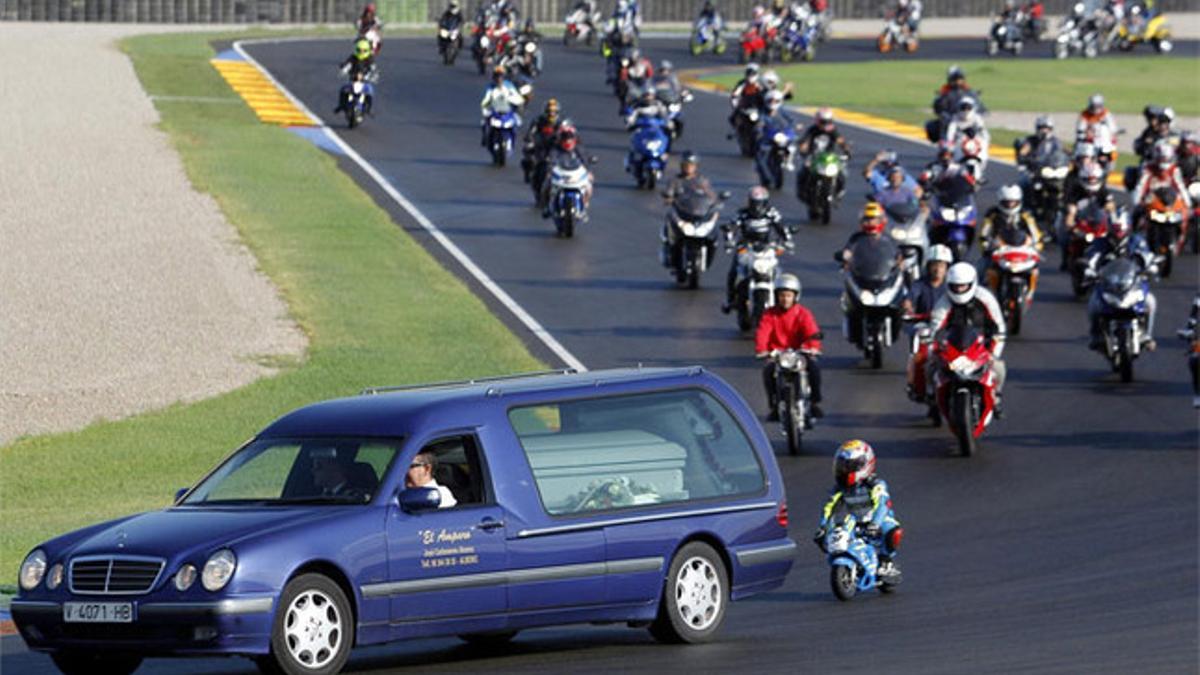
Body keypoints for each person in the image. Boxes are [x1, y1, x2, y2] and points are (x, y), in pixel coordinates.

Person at [815, 440, 903, 583]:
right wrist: (823, 526)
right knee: (835, 535)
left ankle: (886, 562)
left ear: (865, 464)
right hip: (855, 522)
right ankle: (850, 558)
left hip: (877, 521)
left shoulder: (876, 485)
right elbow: (829, 507)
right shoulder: (840, 489)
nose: (844, 471)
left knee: (892, 530)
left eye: (849, 466)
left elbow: (883, 504)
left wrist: (875, 523)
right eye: (842, 466)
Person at [930, 262, 1007, 412]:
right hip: (953, 347)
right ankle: (933, 397)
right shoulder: (944, 301)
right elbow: (935, 326)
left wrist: (993, 352)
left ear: (972, 283)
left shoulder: (985, 298)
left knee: (999, 367)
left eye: (963, 286)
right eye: (956, 286)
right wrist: (935, 347)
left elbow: (999, 326)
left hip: (980, 347)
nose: (959, 289)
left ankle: (996, 397)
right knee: (930, 367)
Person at [1083, 211, 1158, 351]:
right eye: (1115, 229)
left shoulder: (1137, 241)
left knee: (1150, 302)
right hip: (1108, 285)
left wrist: (1151, 266)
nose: (1118, 234)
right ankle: (1095, 335)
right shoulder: (1101, 242)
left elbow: (1146, 256)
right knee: (1093, 303)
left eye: (1121, 229)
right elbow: (1092, 258)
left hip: (1132, 284)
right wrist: (1089, 270)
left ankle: (1147, 335)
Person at [755, 274, 824, 421]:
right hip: (778, 355)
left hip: (800, 354)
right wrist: (762, 350)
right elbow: (763, 332)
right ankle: (774, 406)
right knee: (768, 372)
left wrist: (813, 347)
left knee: (814, 368)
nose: (785, 299)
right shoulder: (770, 314)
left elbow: (812, 332)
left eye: (788, 295)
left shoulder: (803, 313)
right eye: (781, 295)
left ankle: (814, 402)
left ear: (795, 296)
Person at [723, 186, 793, 312]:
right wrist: (729, 240)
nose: (757, 207)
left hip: (767, 248)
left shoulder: (771, 213)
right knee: (734, 271)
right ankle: (730, 299)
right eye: (754, 203)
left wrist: (787, 240)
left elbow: (781, 227)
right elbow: (732, 227)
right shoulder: (742, 214)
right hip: (746, 247)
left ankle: (782, 300)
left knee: (778, 273)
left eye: (760, 203)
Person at [903, 244, 953, 408]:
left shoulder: (951, 286)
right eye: (934, 264)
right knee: (916, 354)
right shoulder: (920, 284)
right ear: (928, 266)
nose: (938, 269)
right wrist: (908, 307)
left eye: (942, 265)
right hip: (924, 325)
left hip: (947, 326)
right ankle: (913, 383)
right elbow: (910, 299)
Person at [980, 184, 1044, 293]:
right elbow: (984, 232)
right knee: (981, 268)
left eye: (1013, 202)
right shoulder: (993, 214)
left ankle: (1029, 288)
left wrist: (1037, 245)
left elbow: (1035, 232)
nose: (1010, 205)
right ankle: (981, 294)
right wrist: (986, 246)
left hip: (1020, 248)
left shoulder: (1026, 214)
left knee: (1034, 267)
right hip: (999, 248)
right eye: (1007, 202)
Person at [540, 120, 593, 217]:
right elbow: (551, 160)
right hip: (561, 175)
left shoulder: (578, 149)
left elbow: (585, 160)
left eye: (569, 138)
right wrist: (549, 170)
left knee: (589, 187)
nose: (567, 141)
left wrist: (588, 171)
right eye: (565, 138)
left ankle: (585, 205)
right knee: (546, 186)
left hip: (574, 175)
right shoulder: (555, 150)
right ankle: (546, 207)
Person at [797, 107, 852, 198]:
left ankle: (839, 190)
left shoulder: (833, 131)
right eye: (823, 122)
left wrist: (847, 151)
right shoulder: (812, 130)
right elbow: (804, 141)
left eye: (828, 121)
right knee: (803, 172)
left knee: (841, 172)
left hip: (829, 158)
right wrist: (803, 150)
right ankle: (802, 191)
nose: (826, 124)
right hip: (814, 157)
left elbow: (841, 141)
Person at [1132, 141, 1192, 211]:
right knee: (1137, 213)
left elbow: (1180, 186)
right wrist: (1137, 203)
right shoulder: (1148, 169)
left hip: (1170, 201)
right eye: (1162, 159)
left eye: (1166, 159)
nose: (1164, 161)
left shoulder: (1174, 169)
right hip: (1152, 201)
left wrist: (1188, 204)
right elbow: (1141, 186)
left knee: (1184, 211)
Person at [480, 65, 524, 145]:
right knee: (483, 122)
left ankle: (513, 137)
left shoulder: (509, 86)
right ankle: (485, 138)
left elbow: (518, 98)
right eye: (497, 76)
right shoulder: (491, 87)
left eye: (500, 76)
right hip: (495, 110)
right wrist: (485, 108)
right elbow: (486, 100)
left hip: (508, 110)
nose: (499, 79)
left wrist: (513, 100)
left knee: (518, 122)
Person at [522, 98, 561, 186]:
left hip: (555, 145)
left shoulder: (561, 122)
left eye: (554, 112)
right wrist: (529, 138)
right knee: (527, 153)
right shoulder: (538, 121)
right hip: (540, 144)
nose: (551, 114)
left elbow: (570, 134)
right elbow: (531, 132)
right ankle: (528, 174)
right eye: (550, 111)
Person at [335, 38, 377, 115]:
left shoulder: (370, 59)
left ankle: (369, 109)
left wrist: (372, 74)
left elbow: (373, 68)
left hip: (364, 80)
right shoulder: (353, 57)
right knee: (343, 89)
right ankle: (341, 105)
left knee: (370, 90)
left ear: (367, 50)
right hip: (353, 78)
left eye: (363, 50)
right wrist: (344, 69)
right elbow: (347, 63)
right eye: (359, 50)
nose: (361, 52)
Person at [1076, 94, 1119, 167]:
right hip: (1088, 141)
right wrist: (1084, 135)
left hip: (1103, 140)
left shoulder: (1106, 114)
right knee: (1081, 152)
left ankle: (1108, 166)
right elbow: (1080, 128)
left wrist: (1113, 135)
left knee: (1112, 152)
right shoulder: (1085, 114)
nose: (1095, 108)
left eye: (1097, 106)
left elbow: (1112, 128)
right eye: (1094, 106)